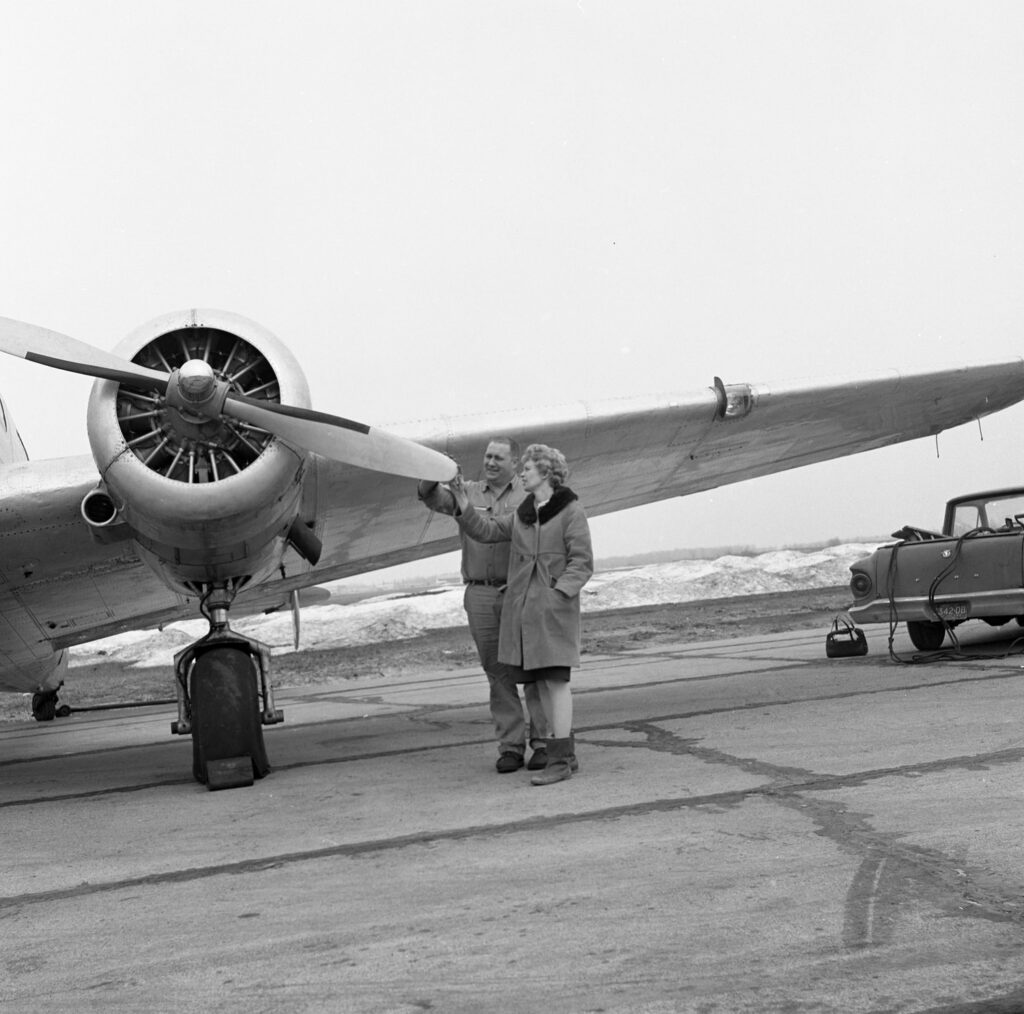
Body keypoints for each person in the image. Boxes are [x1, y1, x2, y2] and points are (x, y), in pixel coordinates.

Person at [449, 443, 594, 786]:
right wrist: (462, 501)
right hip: (526, 613)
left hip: (552, 612)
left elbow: (582, 563)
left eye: (527, 468)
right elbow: (485, 531)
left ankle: (560, 760)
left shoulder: (570, 511)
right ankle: (565, 757)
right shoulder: (524, 514)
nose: (522, 473)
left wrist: (556, 595)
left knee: (556, 684)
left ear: (545, 472)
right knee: (542, 685)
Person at [417, 437, 550, 773]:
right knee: (497, 673)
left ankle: (544, 743)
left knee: (534, 670)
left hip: (519, 594)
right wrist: (431, 471)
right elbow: (431, 497)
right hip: (480, 594)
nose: (490, 462)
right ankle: (511, 748)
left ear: (515, 463)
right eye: (487, 456)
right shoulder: (468, 492)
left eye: (498, 458)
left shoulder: (527, 495)